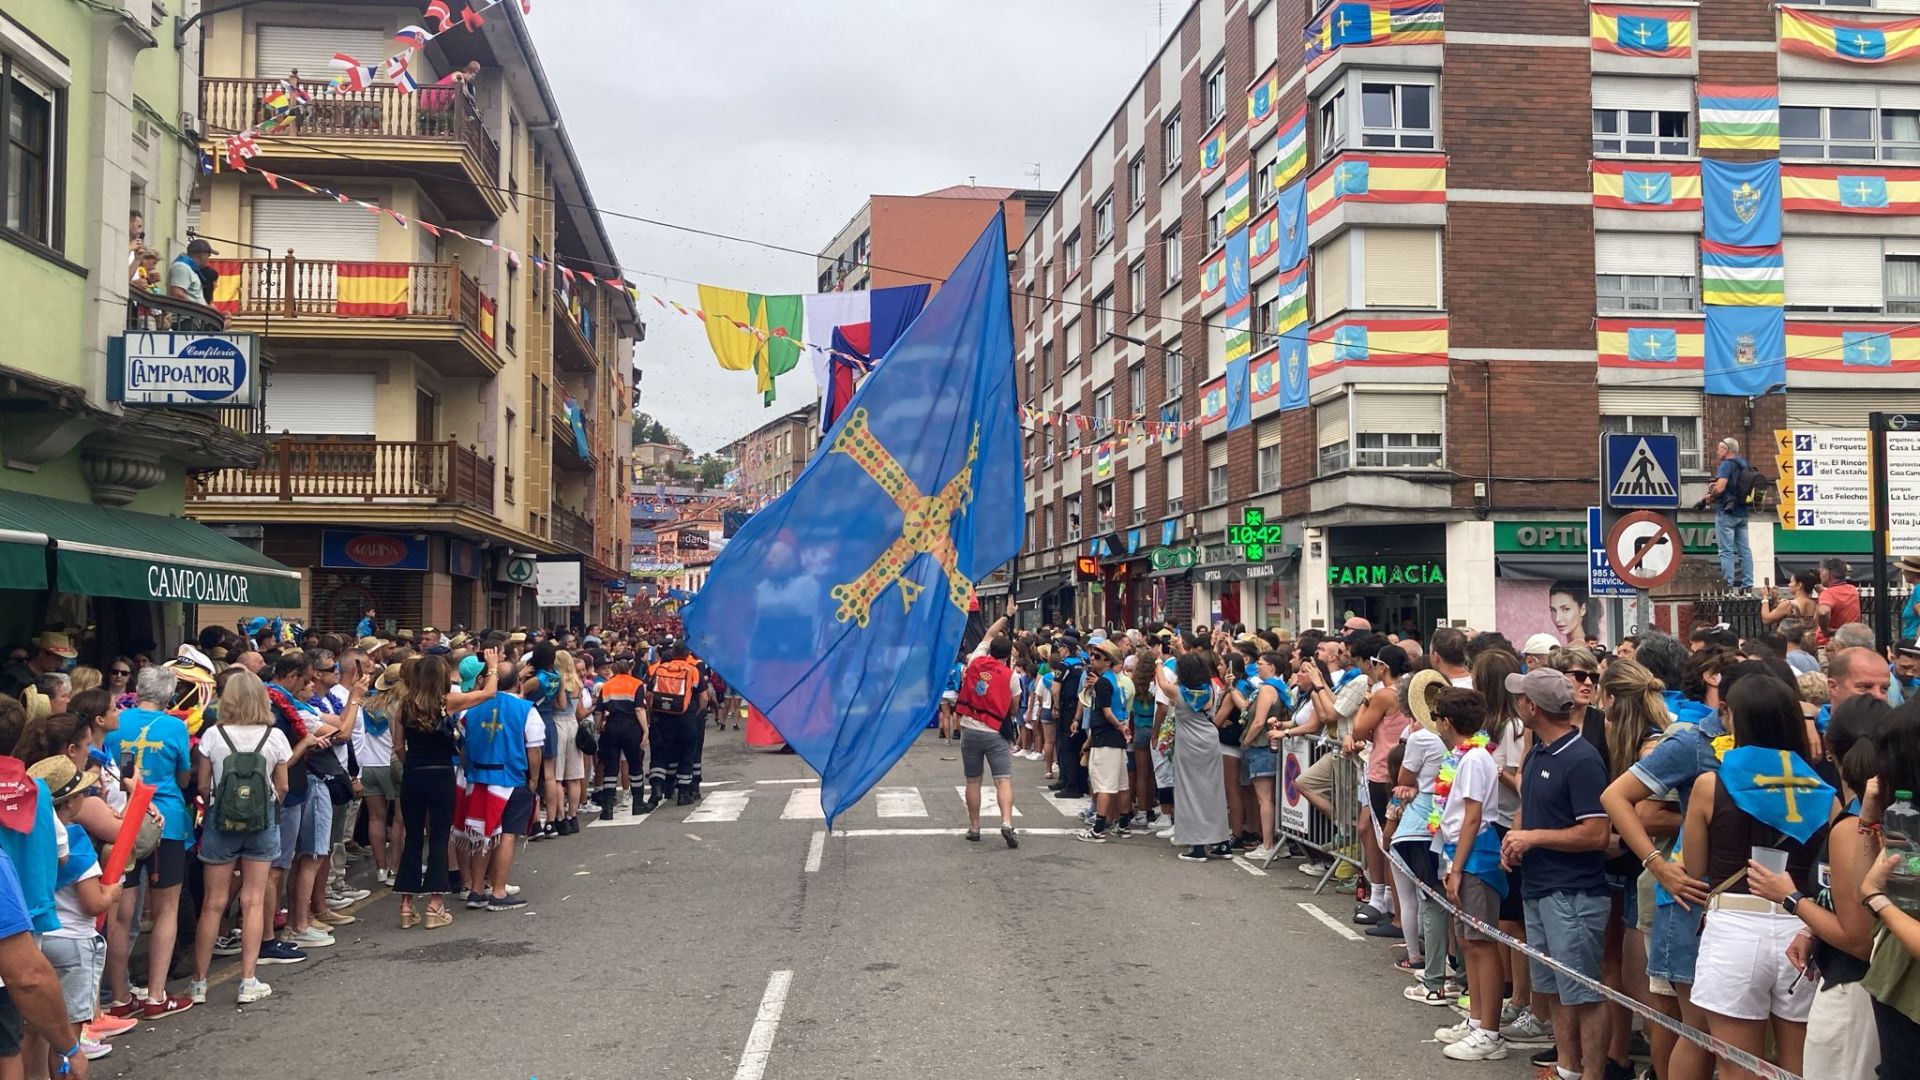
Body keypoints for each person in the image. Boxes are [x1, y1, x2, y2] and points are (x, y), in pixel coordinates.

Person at [1684, 675, 1835, 1080]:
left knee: (1738, 1067)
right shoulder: (1825, 792)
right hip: (1801, 928)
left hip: (1733, 925)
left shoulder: (1709, 785)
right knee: (1799, 1065)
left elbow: (1695, 867)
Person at [1748, 695, 1884, 1080]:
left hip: (1853, 993)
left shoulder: (1851, 828)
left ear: (1830, 750)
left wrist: (1789, 897)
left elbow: (1859, 938)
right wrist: (1812, 928)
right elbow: (1850, 906)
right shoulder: (1865, 814)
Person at [1500, 668, 1613, 1080]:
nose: (1517, 704)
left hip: (1573, 893)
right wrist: (1513, 839)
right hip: (1540, 886)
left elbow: (1596, 833)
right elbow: (1526, 808)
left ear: (1533, 706)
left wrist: (1531, 838)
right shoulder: (1537, 753)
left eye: (1521, 698)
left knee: (1583, 990)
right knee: (1555, 989)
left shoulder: (1582, 759)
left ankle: (1593, 1074)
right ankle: (1567, 1068)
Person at [187, 672, 293, 1007]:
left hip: (221, 823)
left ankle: (198, 983)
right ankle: (248, 980)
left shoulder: (213, 735)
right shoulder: (274, 736)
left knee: (213, 903)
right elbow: (284, 786)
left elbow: (203, 785)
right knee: (252, 901)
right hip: (261, 824)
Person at [100, 665, 194, 1019]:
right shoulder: (175, 726)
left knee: (122, 915)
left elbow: (120, 770)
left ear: (138, 690)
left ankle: (120, 996)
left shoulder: (116, 723)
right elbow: (183, 774)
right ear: (169, 695)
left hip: (125, 820)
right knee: (166, 908)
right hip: (166, 820)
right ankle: (156, 995)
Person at [1429, 687, 1509, 1062]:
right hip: (1459, 853)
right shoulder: (1462, 757)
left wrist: (1457, 867)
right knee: (1467, 941)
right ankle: (1477, 1019)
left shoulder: (1475, 759)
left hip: (1475, 856)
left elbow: (1473, 816)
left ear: (1447, 722)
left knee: (1481, 942)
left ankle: (1489, 1031)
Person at [394, 654, 493, 928]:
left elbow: (398, 745)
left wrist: (411, 764)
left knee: (413, 838)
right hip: (440, 773)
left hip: (413, 773)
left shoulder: (405, 704)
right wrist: (493, 667)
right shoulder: (446, 702)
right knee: (438, 837)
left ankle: (406, 904)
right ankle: (435, 904)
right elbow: (489, 693)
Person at [461, 658, 536, 911]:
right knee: (506, 835)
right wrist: (534, 779)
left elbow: (463, 744)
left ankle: (476, 889)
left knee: (482, 835)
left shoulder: (470, 708)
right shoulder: (526, 709)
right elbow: (534, 749)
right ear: (517, 682)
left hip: (479, 778)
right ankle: (499, 891)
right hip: (511, 778)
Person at [955, 612, 1019, 847]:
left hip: (970, 727)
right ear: (1008, 654)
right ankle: (1006, 822)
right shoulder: (1011, 677)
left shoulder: (975, 661)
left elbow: (989, 633)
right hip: (995, 732)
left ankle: (974, 826)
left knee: (973, 781)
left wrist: (1006, 615)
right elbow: (1013, 709)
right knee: (1003, 780)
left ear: (991, 649)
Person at [1158, 652, 1229, 862]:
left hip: (1189, 744)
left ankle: (1197, 845)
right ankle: (1222, 842)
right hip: (1210, 742)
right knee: (1214, 792)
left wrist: (1158, 662)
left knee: (1190, 793)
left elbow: (1162, 683)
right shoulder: (1211, 690)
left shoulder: (1179, 692)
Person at [1074, 641, 1130, 844]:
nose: (1092, 658)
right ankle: (1123, 824)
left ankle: (1098, 828)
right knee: (1122, 784)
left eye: (1097, 656)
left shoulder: (1104, 683)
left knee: (1104, 785)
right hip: (1115, 738)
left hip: (1106, 737)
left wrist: (1118, 727)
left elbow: (1106, 712)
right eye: (1093, 654)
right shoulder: (1113, 680)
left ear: (1108, 661)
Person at [354, 664, 401, 885]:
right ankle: (395, 867)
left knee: (376, 818)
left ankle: (380, 868)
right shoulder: (400, 705)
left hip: (368, 765)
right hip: (392, 763)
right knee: (401, 819)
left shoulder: (366, 703)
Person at [645, 642, 708, 806]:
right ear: (687, 654)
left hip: (662, 718)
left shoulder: (660, 669)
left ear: (673, 653)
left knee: (660, 754)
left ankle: (657, 789)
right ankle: (684, 794)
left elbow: (649, 694)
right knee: (687, 753)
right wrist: (695, 713)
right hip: (686, 718)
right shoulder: (693, 670)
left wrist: (653, 712)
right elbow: (704, 698)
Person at [594, 659, 649, 816]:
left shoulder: (607, 685)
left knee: (611, 767)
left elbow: (599, 712)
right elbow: (639, 709)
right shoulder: (636, 684)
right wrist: (645, 730)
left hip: (612, 726)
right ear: (630, 669)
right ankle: (638, 803)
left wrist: (598, 728)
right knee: (635, 765)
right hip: (631, 727)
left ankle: (608, 808)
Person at [1700, 437, 1756, 591]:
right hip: (1742, 513)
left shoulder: (1726, 465)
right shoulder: (1744, 464)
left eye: (1719, 448)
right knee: (1745, 550)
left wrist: (1710, 497)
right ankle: (1748, 585)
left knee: (1726, 551)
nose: (1717, 451)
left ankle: (1728, 585)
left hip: (1726, 513)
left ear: (1726, 450)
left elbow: (1721, 487)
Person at [1819, 560, 1862, 642]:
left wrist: (1825, 630)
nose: (1820, 575)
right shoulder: (1852, 590)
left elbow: (1823, 612)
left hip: (1830, 644)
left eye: (1821, 572)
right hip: (1850, 640)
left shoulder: (1828, 593)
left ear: (1828, 574)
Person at [166, 238, 215, 305]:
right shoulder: (181, 267)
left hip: (193, 314)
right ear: (202, 254)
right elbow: (177, 294)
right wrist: (201, 308)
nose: (208, 260)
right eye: (208, 256)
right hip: (186, 315)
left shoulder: (189, 268)